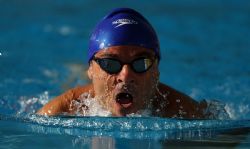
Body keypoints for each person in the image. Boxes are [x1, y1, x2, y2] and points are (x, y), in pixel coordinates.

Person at [37, 8, 208, 118]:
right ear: (91, 69)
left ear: (156, 70)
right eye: (110, 64)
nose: (126, 75)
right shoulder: (61, 111)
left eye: (141, 63)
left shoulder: (185, 112)